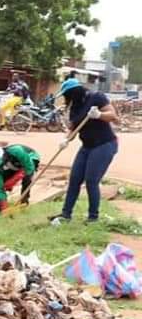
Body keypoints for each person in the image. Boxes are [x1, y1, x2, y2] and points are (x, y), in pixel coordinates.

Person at [53, 78, 119, 223]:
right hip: (87, 146)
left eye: (67, 94)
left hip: (104, 144)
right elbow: (73, 128)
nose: (66, 98)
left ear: (75, 92)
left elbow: (113, 116)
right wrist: (66, 140)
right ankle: (66, 215)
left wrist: (100, 115)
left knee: (91, 181)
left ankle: (93, 217)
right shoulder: (75, 107)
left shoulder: (97, 97)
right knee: (74, 179)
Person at [0, 144, 40, 214]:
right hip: (13, 165)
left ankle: (24, 202)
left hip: (29, 159)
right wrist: (5, 208)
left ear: (4, 155)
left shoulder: (17, 151)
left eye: (0, 162)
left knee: (27, 179)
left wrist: (14, 179)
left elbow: (29, 168)